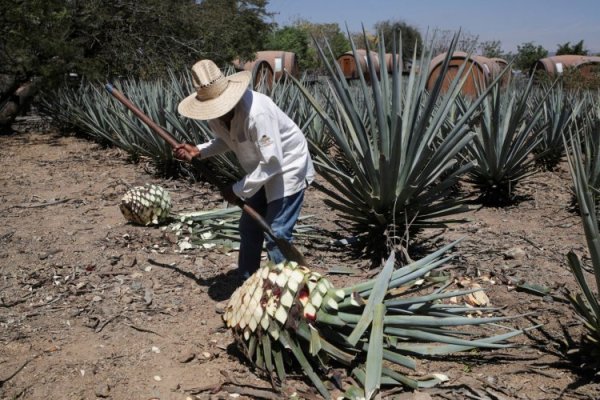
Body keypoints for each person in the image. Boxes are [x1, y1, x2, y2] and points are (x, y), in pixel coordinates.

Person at [174, 59, 315, 279]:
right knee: (249, 227)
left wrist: (237, 190)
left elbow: (273, 162)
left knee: (276, 233)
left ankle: (282, 292)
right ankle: (248, 280)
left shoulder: (257, 113)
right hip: (260, 170)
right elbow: (228, 139)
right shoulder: (216, 116)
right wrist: (198, 150)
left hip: (287, 165)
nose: (216, 112)